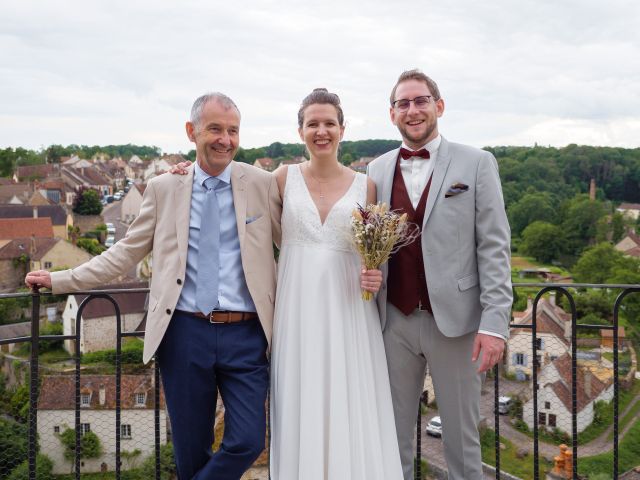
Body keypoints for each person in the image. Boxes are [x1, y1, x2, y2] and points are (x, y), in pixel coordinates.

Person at [25, 93, 282, 480]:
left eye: (233, 131)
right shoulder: (164, 188)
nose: (225, 140)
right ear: (191, 131)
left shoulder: (262, 183)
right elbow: (125, 253)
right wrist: (60, 279)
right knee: (191, 452)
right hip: (184, 332)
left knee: (248, 440)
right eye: (215, 129)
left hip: (246, 334)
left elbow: (301, 238)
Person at [367, 70, 512, 480]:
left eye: (421, 100)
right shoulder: (376, 170)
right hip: (392, 322)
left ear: (439, 106)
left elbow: (495, 247)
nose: (412, 110)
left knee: (462, 443)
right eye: (403, 103)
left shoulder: (477, 162)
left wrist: (495, 324)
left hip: (458, 324)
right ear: (392, 113)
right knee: (391, 438)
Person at [269, 88, 403, 480]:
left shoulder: (367, 187)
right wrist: (182, 169)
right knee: (300, 396)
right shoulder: (281, 178)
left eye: (329, 123)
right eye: (313, 123)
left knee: (349, 397)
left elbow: (372, 252)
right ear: (300, 131)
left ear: (342, 129)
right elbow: (241, 201)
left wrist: (374, 271)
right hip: (296, 309)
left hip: (348, 308)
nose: (321, 131)